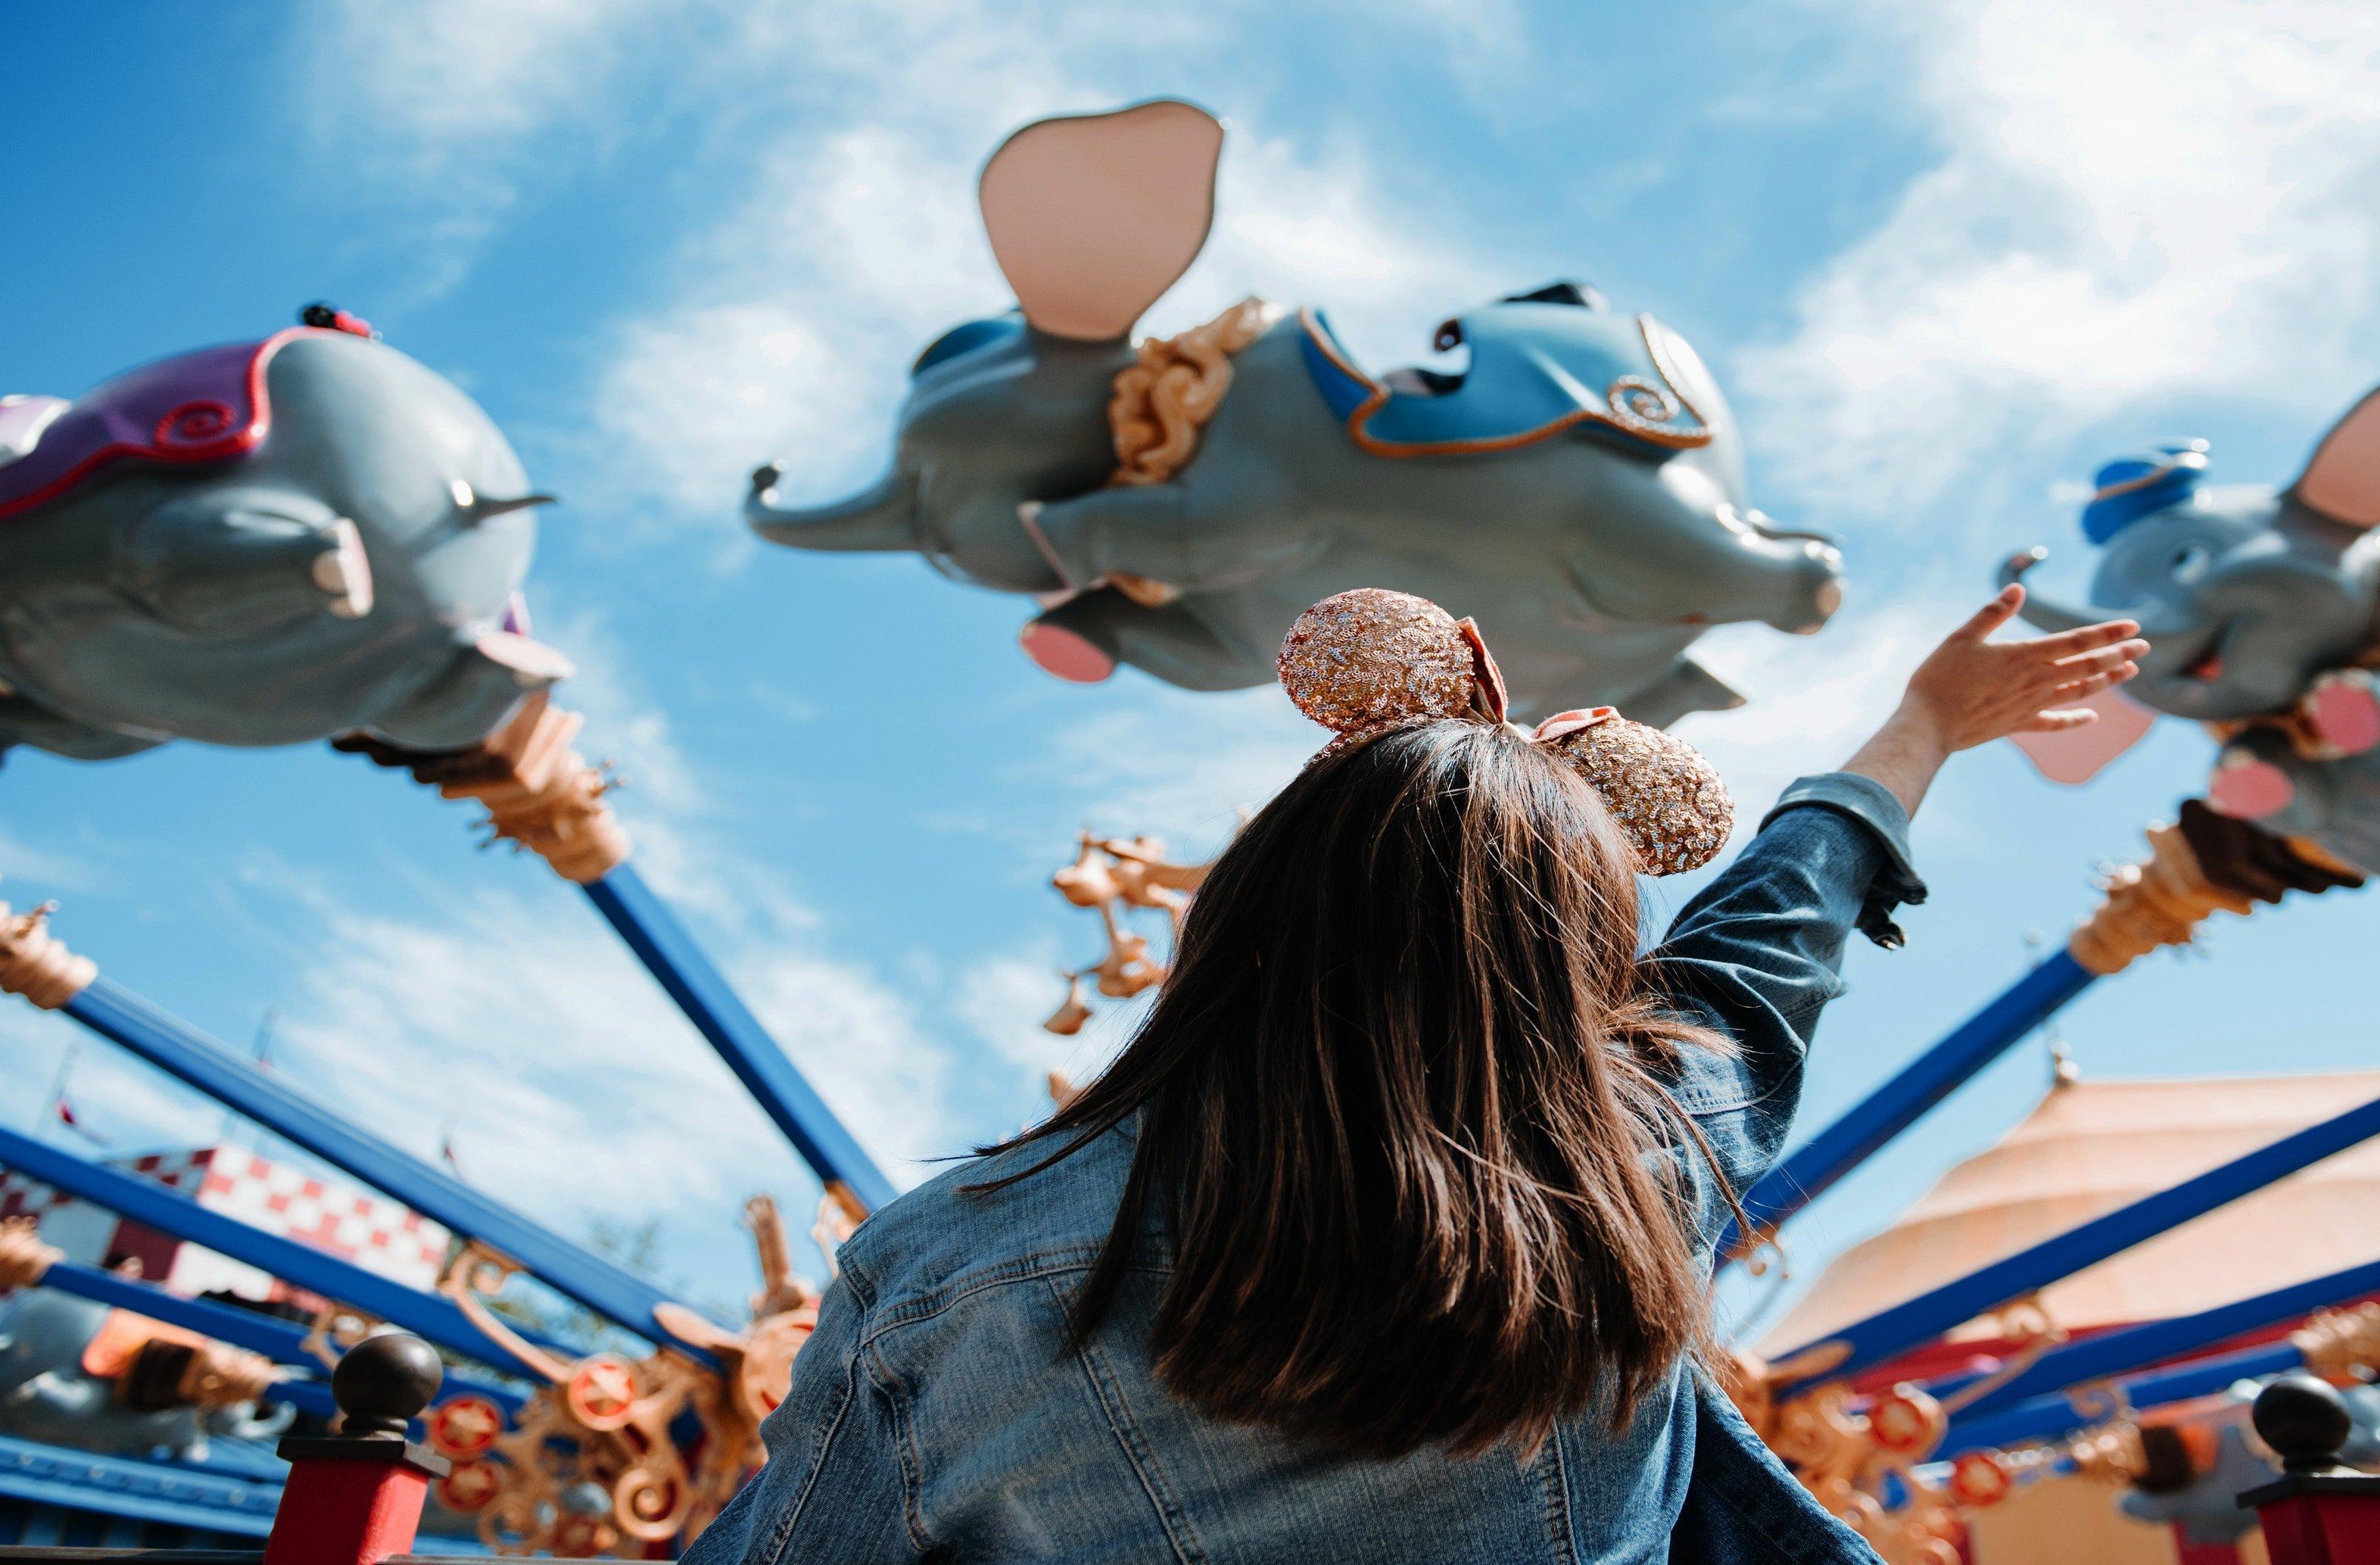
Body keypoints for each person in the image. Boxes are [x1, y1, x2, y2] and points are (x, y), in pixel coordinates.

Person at [686, 584, 2142, 1564]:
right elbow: (1774, 931)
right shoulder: (1638, 1167)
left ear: (1244, 912)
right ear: (1580, 969)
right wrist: (1925, 726)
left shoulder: (949, 1266)